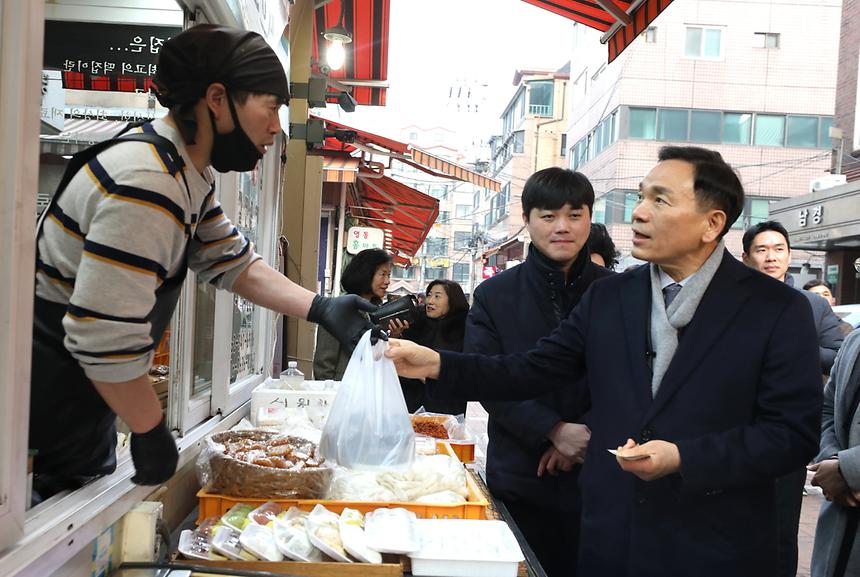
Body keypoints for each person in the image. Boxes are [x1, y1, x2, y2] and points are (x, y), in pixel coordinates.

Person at [386, 146, 823, 577]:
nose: (639, 213)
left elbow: (790, 435)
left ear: (712, 223)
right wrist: (439, 364)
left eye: (660, 200)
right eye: (640, 196)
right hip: (612, 537)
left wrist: (684, 457)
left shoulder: (776, 309)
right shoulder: (612, 297)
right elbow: (533, 369)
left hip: (715, 543)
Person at [29, 25, 375, 501]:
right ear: (217, 98)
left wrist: (321, 308)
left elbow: (236, 263)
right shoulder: (147, 180)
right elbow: (103, 336)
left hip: (75, 420)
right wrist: (151, 429)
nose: (277, 126)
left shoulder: (182, 174)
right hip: (35, 436)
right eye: (271, 106)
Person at [464, 167, 613, 577]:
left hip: (601, 476)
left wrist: (584, 434)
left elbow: (634, 379)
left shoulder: (618, 293)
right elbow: (486, 378)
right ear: (527, 221)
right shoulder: (495, 295)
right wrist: (552, 429)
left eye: (574, 214)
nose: (562, 227)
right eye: (548, 216)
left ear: (589, 218)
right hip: (520, 477)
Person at [741, 220, 845, 577]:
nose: (771, 257)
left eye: (779, 249)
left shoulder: (812, 306)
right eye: (762, 249)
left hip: (787, 429)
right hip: (734, 427)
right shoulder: (728, 303)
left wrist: (797, 347)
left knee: (782, 527)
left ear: (788, 256)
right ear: (746, 257)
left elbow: (837, 354)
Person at [809, 329, 860, 577]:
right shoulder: (855, 339)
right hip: (842, 519)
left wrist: (846, 469)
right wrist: (830, 458)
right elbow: (827, 410)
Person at [314, 248, 391, 380]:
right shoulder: (338, 310)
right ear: (366, 274)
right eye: (383, 274)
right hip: (343, 393)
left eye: (389, 275)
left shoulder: (373, 312)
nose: (387, 281)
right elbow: (323, 367)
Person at [400, 279, 469, 415]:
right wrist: (397, 335)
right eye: (429, 295)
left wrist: (424, 373)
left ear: (452, 301)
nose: (429, 301)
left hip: (445, 409)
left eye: (437, 296)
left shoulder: (466, 330)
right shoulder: (416, 324)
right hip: (409, 404)